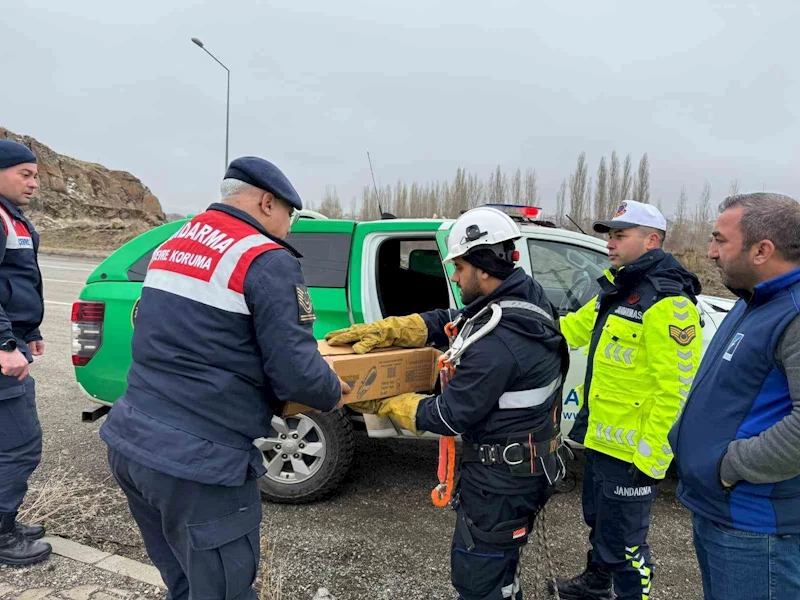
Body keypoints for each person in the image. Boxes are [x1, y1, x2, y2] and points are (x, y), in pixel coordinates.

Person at [99, 157, 349, 599]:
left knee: (184, 581)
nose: (289, 227)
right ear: (267, 202)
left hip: (133, 441)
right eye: (289, 215)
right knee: (224, 590)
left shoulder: (176, 241)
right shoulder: (264, 258)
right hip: (198, 464)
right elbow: (296, 372)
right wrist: (333, 391)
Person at [325, 206, 569, 600]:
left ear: (484, 267)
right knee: (500, 570)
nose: (454, 277)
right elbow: (459, 318)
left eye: (459, 268)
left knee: (477, 580)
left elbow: (447, 415)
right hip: (525, 468)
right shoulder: (525, 299)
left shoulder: (499, 345)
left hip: (500, 484)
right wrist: (396, 329)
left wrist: (384, 401)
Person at [550, 200, 703, 600]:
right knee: (600, 524)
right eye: (609, 235)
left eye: (621, 235)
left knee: (626, 547)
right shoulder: (618, 290)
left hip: (633, 454)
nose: (610, 244)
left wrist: (651, 460)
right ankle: (597, 584)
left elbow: (678, 390)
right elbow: (569, 331)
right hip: (602, 442)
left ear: (652, 241)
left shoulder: (668, 302)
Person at [669, 193, 800, 599]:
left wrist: (730, 466)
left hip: (756, 527)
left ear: (762, 250)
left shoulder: (793, 312)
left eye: (720, 240)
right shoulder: (756, 300)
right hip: (720, 508)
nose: (709, 252)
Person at [0, 139, 51, 566]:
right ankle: (1, 535)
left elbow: (15, 281)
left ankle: (5, 522)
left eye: (35, 175)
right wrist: (4, 343)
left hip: (12, 341)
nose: (34, 183)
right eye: (25, 174)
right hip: (1, 353)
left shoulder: (12, 218)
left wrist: (27, 329)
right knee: (20, 444)